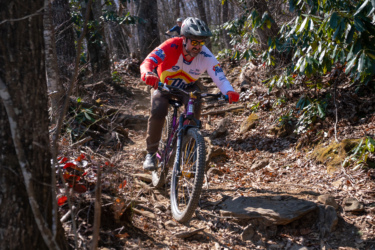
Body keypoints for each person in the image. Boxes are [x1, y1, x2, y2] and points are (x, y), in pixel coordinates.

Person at [140, 17, 240, 171]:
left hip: (188, 88)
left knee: (196, 105)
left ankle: (190, 148)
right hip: (164, 86)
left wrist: (229, 91)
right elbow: (148, 62)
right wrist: (147, 73)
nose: (198, 47)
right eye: (194, 42)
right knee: (158, 111)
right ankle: (151, 153)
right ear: (184, 39)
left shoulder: (206, 55)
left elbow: (220, 77)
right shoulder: (170, 46)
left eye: (201, 42)